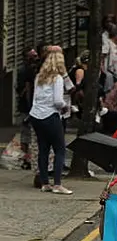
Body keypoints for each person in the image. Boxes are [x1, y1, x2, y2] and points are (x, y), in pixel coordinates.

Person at [30, 49, 72, 194]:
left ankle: (45, 183)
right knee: (60, 149)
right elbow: (58, 101)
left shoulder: (39, 78)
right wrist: (66, 107)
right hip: (50, 115)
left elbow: (35, 98)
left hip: (36, 115)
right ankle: (58, 184)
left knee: (43, 149)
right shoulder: (58, 79)